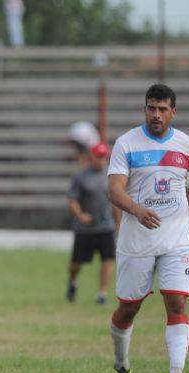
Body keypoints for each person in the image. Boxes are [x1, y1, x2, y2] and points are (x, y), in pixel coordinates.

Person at [106, 84, 189, 373]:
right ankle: (121, 363)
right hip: (137, 243)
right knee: (128, 308)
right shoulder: (127, 144)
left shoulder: (187, 146)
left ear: (173, 112)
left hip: (177, 242)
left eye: (162, 109)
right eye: (151, 108)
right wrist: (137, 210)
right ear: (144, 109)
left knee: (176, 302)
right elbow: (114, 190)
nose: (156, 114)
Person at [65, 121, 116, 305]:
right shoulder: (81, 176)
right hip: (85, 228)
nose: (101, 160)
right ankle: (72, 281)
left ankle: (102, 294)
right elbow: (72, 200)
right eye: (98, 156)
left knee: (108, 260)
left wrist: (119, 225)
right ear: (92, 157)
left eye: (104, 157)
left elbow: (116, 202)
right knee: (76, 264)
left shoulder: (112, 176)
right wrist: (79, 215)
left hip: (105, 226)